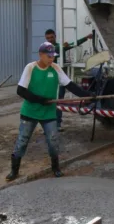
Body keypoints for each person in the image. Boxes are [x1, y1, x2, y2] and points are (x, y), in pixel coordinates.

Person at [6, 42, 94, 182]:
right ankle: (14, 171)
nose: (51, 59)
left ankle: (56, 168)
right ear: (40, 55)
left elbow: (70, 85)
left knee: (53, 141)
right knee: (22, 140)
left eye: (53, 56)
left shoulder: (55, 68)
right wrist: (39, 99)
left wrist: (86, 95)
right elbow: (20, 90)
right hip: (30, 111)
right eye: (48, 56)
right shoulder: (31, 68)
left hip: (49, 112)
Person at [45, 29, 93, 131]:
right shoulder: (47, 47)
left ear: (55, 36)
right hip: (50, 80)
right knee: (51, 102)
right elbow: (57, 49)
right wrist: (63, 46)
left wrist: (85, 38)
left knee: (60, 101)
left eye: (51, 37)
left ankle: (57, 124)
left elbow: (72, 44)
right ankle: (49, 124)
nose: (49, 40)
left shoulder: (60, 47)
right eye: (48, 38)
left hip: (61, 79)